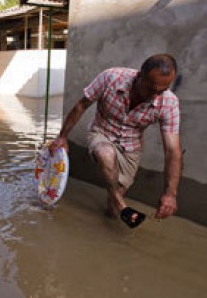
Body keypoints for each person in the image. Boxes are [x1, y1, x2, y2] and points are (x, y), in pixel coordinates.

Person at [50, 54, 182, 227]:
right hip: (102, 133)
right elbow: (81, 105)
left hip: (131, 147)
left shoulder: (169, 103)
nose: (155, 96)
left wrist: (170, 194)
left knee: (112, 211)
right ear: (139, 76)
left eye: (161, 91)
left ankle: (114, 209)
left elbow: (173, 150)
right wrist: (62, 137)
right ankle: (122, 206)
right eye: (151, 88)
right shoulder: (111, 78)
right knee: (105, 153)